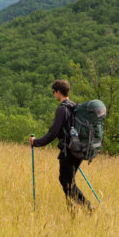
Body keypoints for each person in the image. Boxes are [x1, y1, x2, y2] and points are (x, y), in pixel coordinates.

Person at [29, 79, 91, 209]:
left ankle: (87, 208)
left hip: (67, 151)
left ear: (58, 92)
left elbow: (53, 132)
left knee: (66, 181)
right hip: (78, 150)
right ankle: (72, 210)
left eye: (53, 92)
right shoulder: (75, 107)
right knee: (68, 182)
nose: (54, 95)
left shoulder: (62, 109)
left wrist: (36, 142)